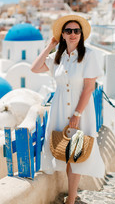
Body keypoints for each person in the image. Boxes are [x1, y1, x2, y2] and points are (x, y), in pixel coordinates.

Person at [31, 15, 105, 204]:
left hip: (80, 111)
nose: (73, 34)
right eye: (68, 31)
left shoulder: (89, 55)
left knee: (77, 154)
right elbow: (35, 68)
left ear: (81, 34)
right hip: (59, 111)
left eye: (76, 31)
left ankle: (70, 199)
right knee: (67, 152)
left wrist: (78, 114)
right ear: (62, 34)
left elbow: (89, 87)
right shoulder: (58, 58)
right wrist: (50, 46)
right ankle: (72, 195)